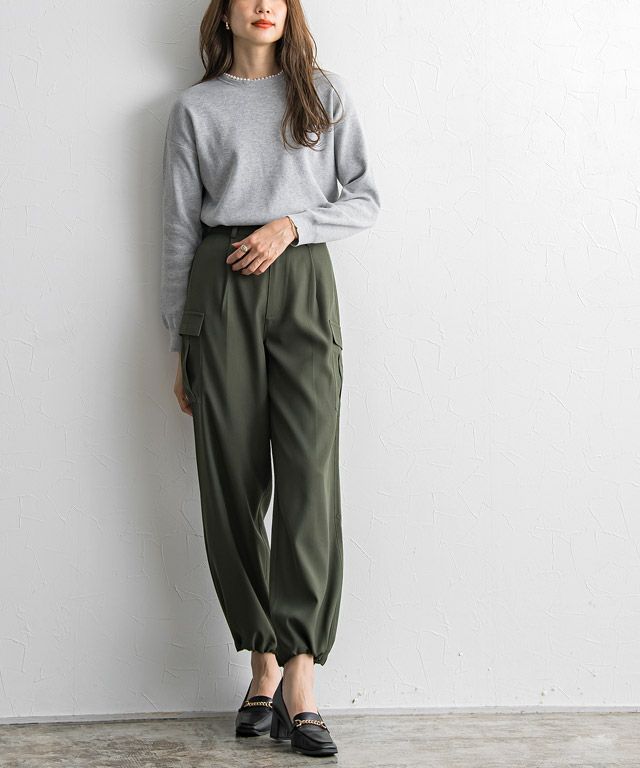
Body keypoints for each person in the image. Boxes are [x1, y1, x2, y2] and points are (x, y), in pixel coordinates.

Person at [160, 0, 380, 757]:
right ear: (223, 12)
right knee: (232, 480)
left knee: (310, 478)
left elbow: (365, 197)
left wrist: (292, 225)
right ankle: (262, 666)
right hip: (219, 288)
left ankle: (301, 679)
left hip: (303, 283)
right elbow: (178, 231)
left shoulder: (323, 92)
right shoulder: (195, 110)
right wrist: (179, 343)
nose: (264, 6)